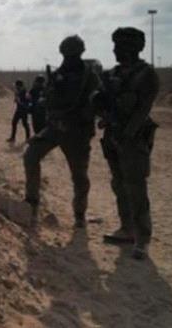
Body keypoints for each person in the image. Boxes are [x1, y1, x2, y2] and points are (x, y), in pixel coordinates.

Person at [95, 27, 159, 260]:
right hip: (113, 136)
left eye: (119, 47)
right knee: (119, 184)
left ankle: (142, 238)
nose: (114, 50)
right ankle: (127, 228)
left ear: (131, 48)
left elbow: (142, 110)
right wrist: (100, 107)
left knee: (136, 188)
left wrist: (126, 135)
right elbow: (102, 102)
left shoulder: (146, 74)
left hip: (132, 139)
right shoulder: (112, 74)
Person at [23, 35, 100, 228]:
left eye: (71, 55)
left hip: (77, 132)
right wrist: (51, 94)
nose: (67, 59)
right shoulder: (59, 74)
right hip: (55, 128)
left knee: (79, 177)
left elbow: (96, 102)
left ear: (80, 53)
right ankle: (32, 202)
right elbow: (48, 100)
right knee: (30, 156)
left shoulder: (89, 76)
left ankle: (80, 214)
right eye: (65, 55)